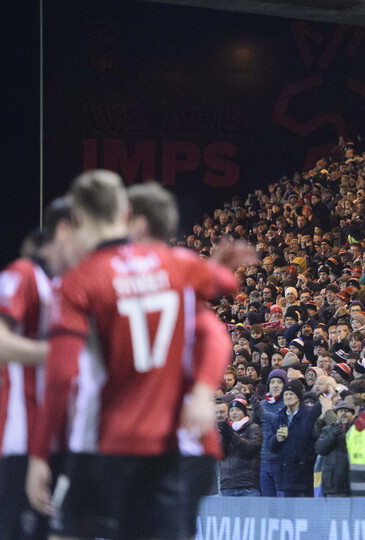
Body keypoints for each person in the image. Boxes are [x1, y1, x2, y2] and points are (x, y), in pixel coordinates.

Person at [25, 170, 235, 539]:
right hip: (177, 443)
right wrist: (217, 271)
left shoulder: (78, 283)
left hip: (113, 442)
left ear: (75, 219)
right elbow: (221, 300)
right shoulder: (178, 264)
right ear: (123, 212)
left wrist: (41, 454)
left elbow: (60, 376)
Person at [0, 198, 75, 539]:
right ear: (64, 231)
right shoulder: (22, 275)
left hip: (60, 439)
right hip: (22, 440)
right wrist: (59, 353)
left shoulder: (64, 286)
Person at [270, 379, 322, 497]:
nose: (288, 397)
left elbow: (315, 439)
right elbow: (270, 446)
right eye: (286, 394)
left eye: (291, 394)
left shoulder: (309, 414)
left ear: (299, 397)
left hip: (305, 474)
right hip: (286, 475)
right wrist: (276, 439)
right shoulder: (279, 416)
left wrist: (305, 458)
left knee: (304, 512)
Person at [217, 397, 262, 496]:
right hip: (227, 486)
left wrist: (232, 436)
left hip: (248, 485)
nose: (234, 413)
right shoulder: (225, 430)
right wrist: (225, 437)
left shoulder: (253, 428)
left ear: (244, 412)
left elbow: (251, 449)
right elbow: (220, 454)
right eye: (231, 410)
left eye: (238, 410)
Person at [315, 400, 356, 497]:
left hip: (351, 483)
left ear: (353, 415)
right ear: (336, 414)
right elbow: (320, 449)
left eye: (347, 411)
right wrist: (332, 435)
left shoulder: (357, 430)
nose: (343, 413)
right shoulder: (328, 430)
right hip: (332, 484)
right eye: (340, 411)